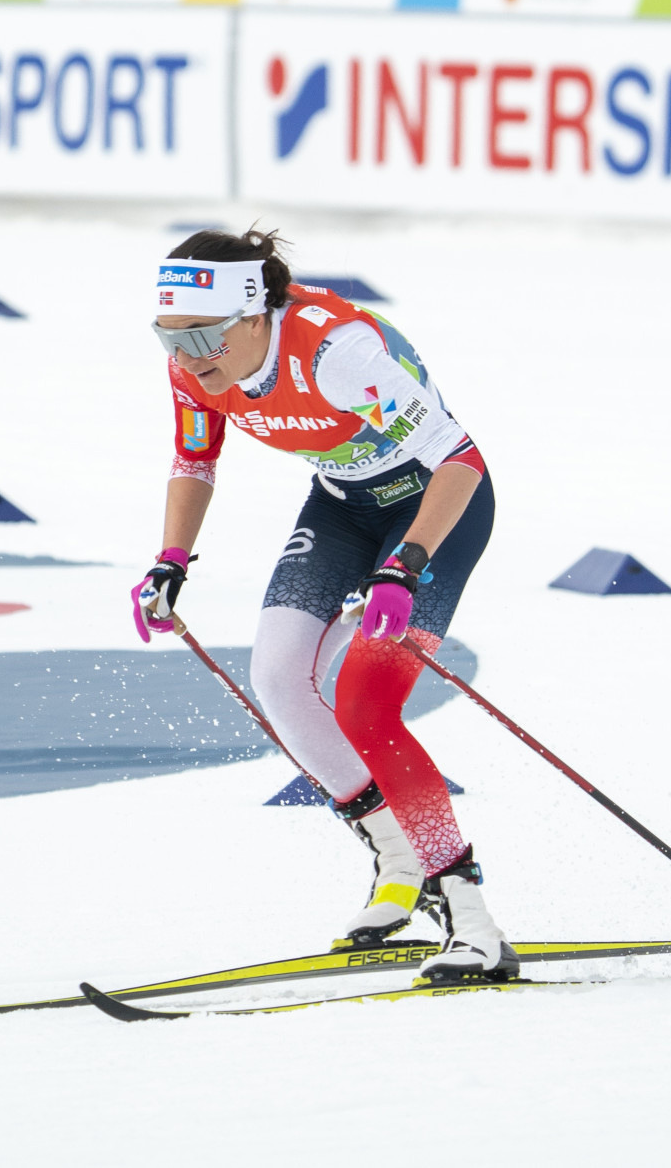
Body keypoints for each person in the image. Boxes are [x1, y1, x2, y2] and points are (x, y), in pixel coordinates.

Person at [132, 228, 513, 983]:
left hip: (435, 509)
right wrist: (171, 560)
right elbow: (194, 458)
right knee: (275, 676)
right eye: (168, 339)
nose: (188, 358)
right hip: (342, 507)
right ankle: (397, 858)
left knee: (367, 704)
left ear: (253, 315)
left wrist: (407, 565)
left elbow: (461, 460)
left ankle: (474, 922)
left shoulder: (334, 353)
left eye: (203, 336)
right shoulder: (200, 365)